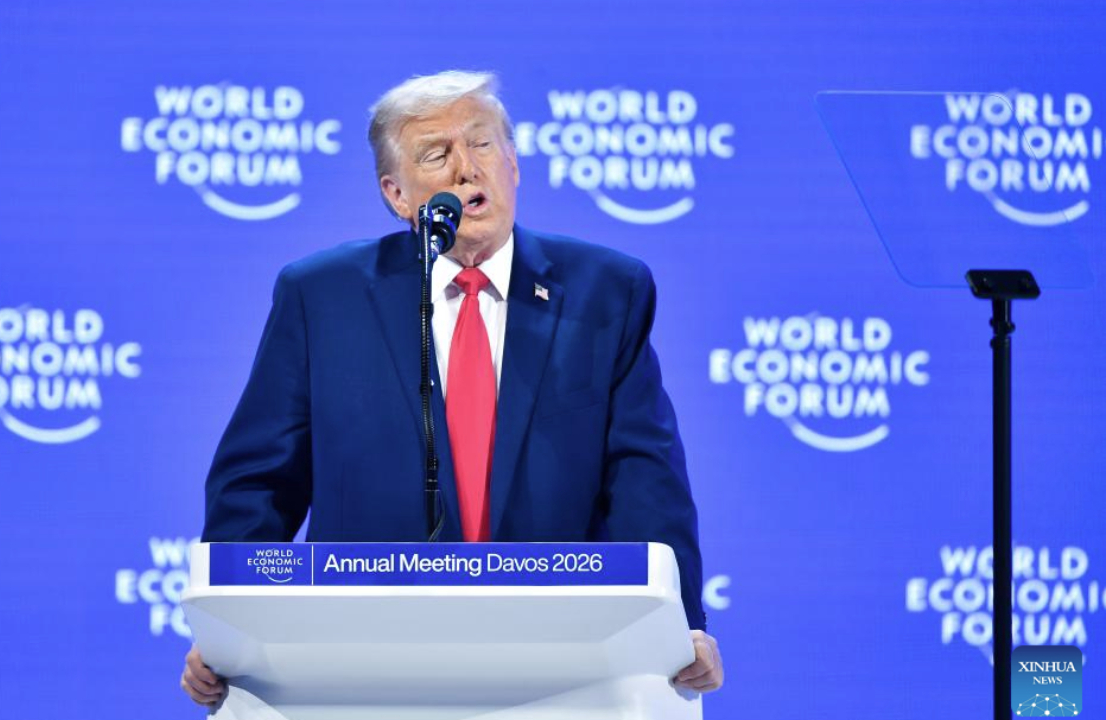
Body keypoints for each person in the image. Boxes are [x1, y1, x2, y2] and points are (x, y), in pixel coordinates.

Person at [180, 70, 723, 706]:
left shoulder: (608, 291)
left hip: (559, 664)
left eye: (483, 144)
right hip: (360, 663)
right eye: (436, 155)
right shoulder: (322, 296)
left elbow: (644, 477)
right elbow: (258, 482)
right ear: (396, 194)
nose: (466, 170)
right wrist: (229, 635)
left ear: (514, 164)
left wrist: (679, 624)